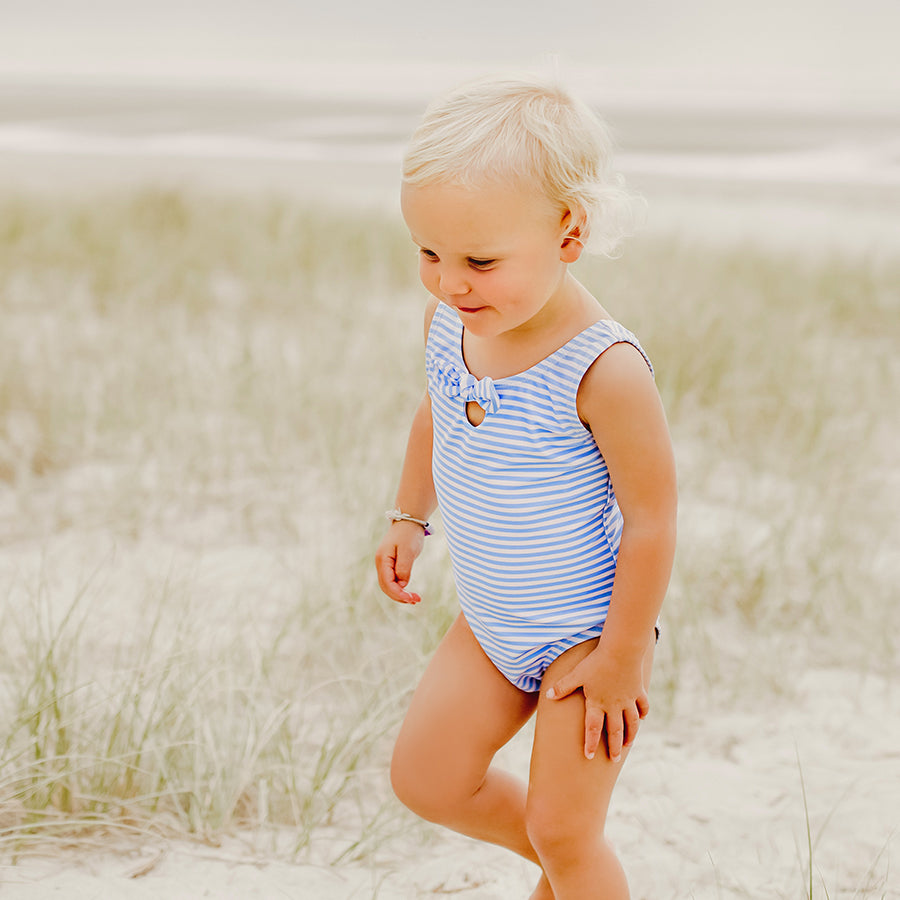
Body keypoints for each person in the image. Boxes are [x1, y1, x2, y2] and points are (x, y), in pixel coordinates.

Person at [374, 73, 677, 900]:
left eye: (479, 260)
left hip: (588, 636)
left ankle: (574, 867)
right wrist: (409, 514)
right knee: (426, 778)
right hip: (494, 621)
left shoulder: (604, 369)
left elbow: (652, 520)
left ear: (569, 232)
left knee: (565, 830)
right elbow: (437, 412)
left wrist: (620, 659)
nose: (449, 282)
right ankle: (570, 873)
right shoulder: (455, 321)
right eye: (428, 254)